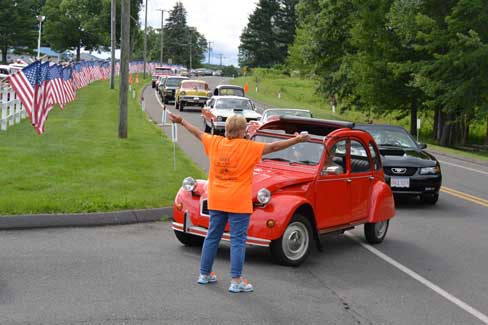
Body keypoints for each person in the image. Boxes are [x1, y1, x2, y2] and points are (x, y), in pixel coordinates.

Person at [168, 110, 310, 293]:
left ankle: (205, 274)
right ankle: (236, 280)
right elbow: (274, 147)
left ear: (226, 130)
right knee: (237, 240)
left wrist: (181, 121)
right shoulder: (249, 147)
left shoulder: (215, 142)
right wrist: (297, 140)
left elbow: (197, 132)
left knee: (212, 236)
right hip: (238, 201)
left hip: (217, 198)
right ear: (243, 131)